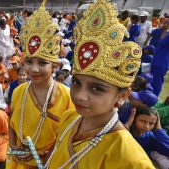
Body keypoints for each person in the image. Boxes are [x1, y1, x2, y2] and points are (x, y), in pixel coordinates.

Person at [44, 0, 154, 168]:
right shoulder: (70, 117)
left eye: (97, 88)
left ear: (123, 95)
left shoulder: (130, 158)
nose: (79, 95)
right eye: (76, 82)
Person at [6, 2, 74, 168]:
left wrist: (47, 156)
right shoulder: (19, 91)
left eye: (42, 63)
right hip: (20, 159)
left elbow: (69, 135)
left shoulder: (67, 96)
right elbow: (12, 122)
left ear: (55, 66)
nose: (34, 69)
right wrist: (14, 144)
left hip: (50, 162)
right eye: (29, 62)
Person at [150, 21, 169, 96]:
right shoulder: (166, 33)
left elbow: (161, 43)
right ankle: (151, 96)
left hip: (161, 62)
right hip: (157, 60)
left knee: (157, 82)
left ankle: (153, 99)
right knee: (153, 80)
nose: (164, 24)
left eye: (166, 23)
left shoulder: (166, 34)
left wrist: (164, 31)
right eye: (164, 23)